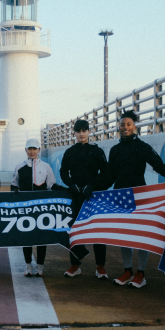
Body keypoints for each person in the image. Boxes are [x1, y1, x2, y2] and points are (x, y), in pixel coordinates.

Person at [101, 110, 165, 289]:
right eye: (122, 125)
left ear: (134, 126)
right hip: (120, 196)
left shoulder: (142, 147)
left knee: (141, 233)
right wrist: (94, 189)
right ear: (118, 127)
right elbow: (109, 176)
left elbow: (158, 166)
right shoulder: (115, 150)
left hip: (140, 195)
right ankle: (127, 270)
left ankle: (140, 274)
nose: (125, 127)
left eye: (128, 124)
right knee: (124, 235)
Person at [60, 119, 109, 279]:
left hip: (94, 196)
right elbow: (63, 172)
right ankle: (75, 264)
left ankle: (100, 266)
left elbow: (105, 172)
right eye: (78, 131)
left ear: (89, 132)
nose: (81, 134)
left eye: (84, 130)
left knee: (98, 229)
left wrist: (92, 186)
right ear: (74, 133)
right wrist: (71, 185)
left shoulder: (97, 151)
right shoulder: (70, 152)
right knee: (75, 229)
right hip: (76, 196)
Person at [11, 139, 56, 277]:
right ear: (25, 150)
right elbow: (14, 184)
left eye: (34, 149)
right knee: (27, 237)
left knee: (41, 237)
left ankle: (40, 266)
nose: (32, 151)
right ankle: (28, 265)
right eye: (29, 149)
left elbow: (51, 185)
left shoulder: (46, 166)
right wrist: (15, 191)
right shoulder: (19, 166)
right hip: (25, 209)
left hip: (41, 208)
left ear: (39, 150)